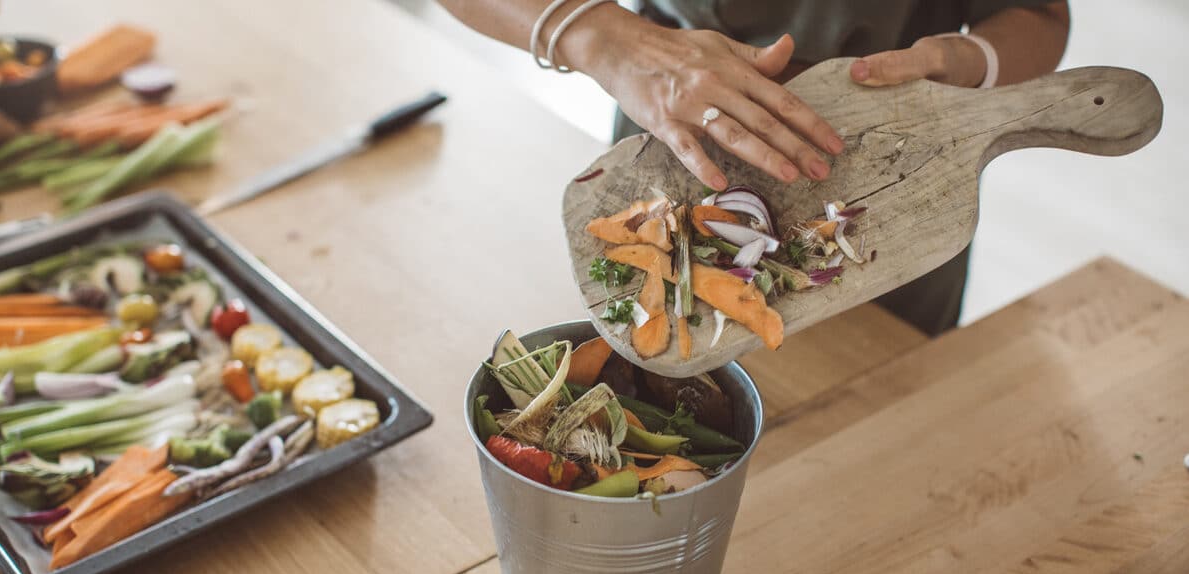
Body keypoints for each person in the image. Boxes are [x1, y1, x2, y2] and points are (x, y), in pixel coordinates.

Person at [437, 0, 1070, 335]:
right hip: (677, 139)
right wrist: (599, 37)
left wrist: (966, 61)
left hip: (894, 171)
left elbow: (1037, 14)